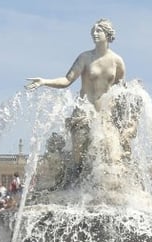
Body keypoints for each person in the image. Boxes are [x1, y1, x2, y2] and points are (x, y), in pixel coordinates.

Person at [25, 19, 128, 170]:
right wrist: (44, 81)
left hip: (106, 115)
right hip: (84, 113)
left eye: (98, 31)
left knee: (112, 157)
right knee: (79, 158)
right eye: (92, 31)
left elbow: (121, 88)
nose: (94, 33)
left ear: (108, 33)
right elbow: (67, 80)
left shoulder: (117, 61)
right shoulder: (85, 58)